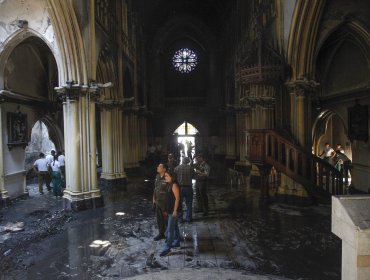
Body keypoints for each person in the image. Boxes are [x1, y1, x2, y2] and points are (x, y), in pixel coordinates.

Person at [160, 171, 181, 257]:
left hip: (173, 211)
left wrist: (175, 210)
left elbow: (177, 199)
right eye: (165, 176)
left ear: (172, 177)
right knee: (175, 227)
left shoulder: (174, 185)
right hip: (170, 210)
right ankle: (177, 242)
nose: (166, 178)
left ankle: (167, 248)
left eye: (167, 176)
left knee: (170, 230)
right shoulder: (169, 185)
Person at [174, 157, 195, 223]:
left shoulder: (177, 168)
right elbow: (194, 177)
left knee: (179, 203)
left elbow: (174, 178)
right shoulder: (190, 168)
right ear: (187, 162)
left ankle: (180, 219)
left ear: (182, 161)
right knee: (189, 203)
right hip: (188, 187)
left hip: (179, 188)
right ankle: (188, 218)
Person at [153, 163, 168, 241]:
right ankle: (161, 233)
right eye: (158, 166)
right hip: (157, 202)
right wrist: (153, 200)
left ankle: (168, 234)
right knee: (159, 219)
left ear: (164, 169)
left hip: (165, 203)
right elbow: (155, 189)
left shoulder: (167, 177)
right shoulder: (157, 176)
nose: (158, 167)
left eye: (160, 166)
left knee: (166, 219)